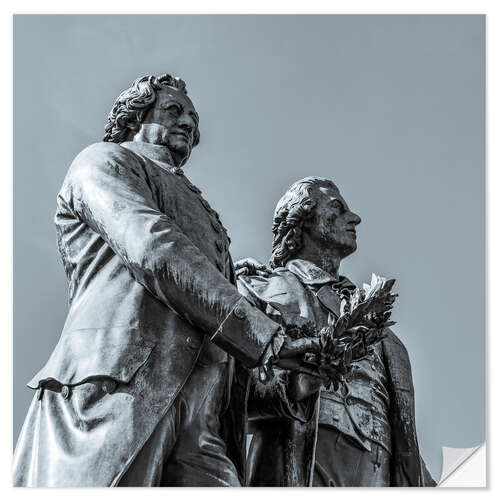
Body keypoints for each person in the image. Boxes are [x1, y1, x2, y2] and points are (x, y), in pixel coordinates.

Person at [13, 74, 316, 487]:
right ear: (133, 117)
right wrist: (263, 335)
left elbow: (216, 315)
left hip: (205, 418)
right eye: (173, 110)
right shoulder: (104, 161)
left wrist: (288, 368)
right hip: (116, 386)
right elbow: (152, 247)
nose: (189, 123)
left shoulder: (202, 209)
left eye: (193, 117)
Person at [235, 176, 436, 487]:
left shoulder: (378, 324)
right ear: (302, 219)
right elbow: (224, 389)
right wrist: (294, 386)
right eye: (337, 208)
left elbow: (404, 436)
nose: (354, 218)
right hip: (304, 460)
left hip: (380, 471)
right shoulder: (259, 287)